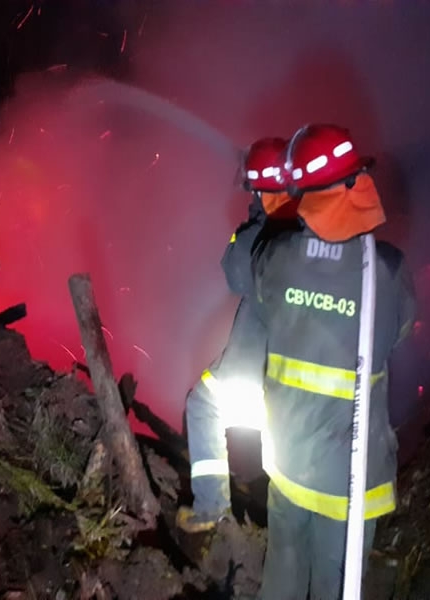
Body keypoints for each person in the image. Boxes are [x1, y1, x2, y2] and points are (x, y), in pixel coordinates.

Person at [251, 124, 416, 599]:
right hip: (347, 477)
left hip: (286, 463)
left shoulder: (275, 257)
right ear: (349, 186)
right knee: (335, 585)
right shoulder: (386, 272)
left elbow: (266, 306)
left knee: (281, 576)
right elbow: (398, 332)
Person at [177, 137, 301, 533]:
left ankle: (212, 508)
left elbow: (234, 272)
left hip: (260, 369)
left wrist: (257, 215)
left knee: (203, 405)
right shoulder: (311, 228)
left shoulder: (262, 235)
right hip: (304, 371)